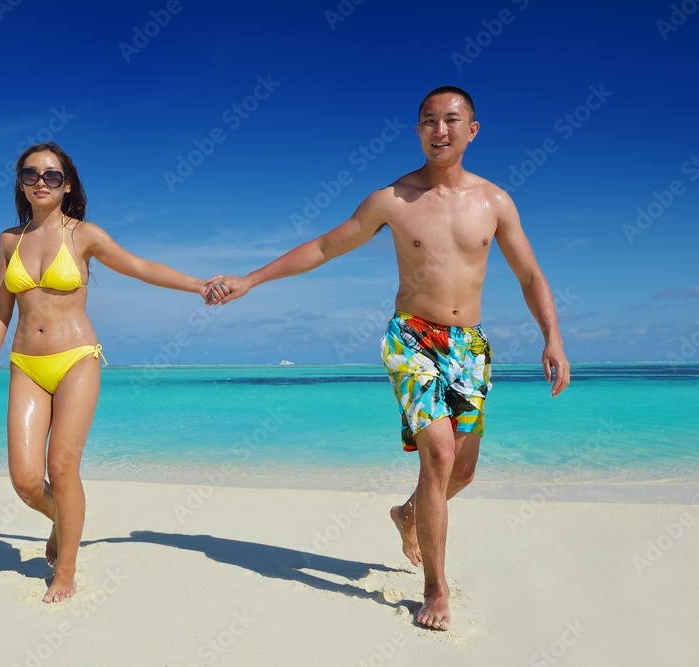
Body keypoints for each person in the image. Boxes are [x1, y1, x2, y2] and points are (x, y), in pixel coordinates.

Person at [207, 86, 570, 630]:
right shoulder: (392, 199)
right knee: (440, 455)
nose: (439, 130)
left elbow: (530, 274)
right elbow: (326, 247)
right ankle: (436, 590)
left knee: (463, 472)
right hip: (412, 339)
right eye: (428, 121)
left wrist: (553, 337)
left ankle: (408, 515)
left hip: (468, 346)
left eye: (451, 120)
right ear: (418, 130)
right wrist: (251, 280)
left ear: (472, 130)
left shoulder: (495, 203)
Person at [0, 142, 217, 603]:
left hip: (76, 359)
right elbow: (1, 305)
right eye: (31, 174)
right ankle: (63, 521)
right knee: (26, 481)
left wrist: (198, 285)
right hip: (25, 364)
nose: (41, 182)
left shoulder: (84, 235)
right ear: (20, 183)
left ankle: (65, 571)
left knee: (62, 469)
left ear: (67, 186)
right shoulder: (9, 240)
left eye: (52, 176)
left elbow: (141, 267)